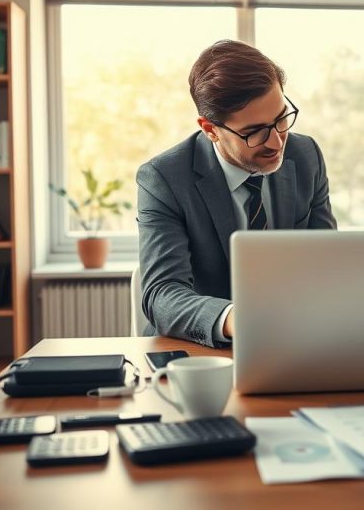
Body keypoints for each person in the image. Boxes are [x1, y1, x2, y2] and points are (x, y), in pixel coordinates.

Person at [137, 40, 336, 347]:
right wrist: (237, 319)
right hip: (201, 353)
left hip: (296, 342)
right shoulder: (164, 179)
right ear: (210, 129)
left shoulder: (305, 155)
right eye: (255, 131)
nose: (276, 141)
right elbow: (162, 294)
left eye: (281, 118)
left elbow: (326, 262)